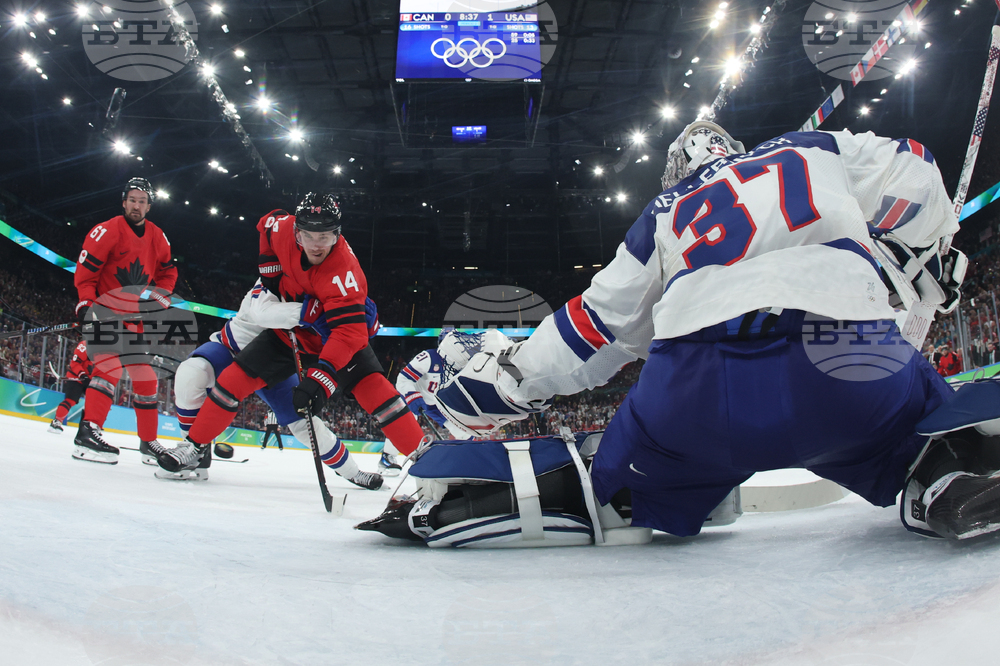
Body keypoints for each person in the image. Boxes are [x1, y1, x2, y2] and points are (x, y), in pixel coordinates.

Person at [399, 124, 1000, 545]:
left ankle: (547, 497)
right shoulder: (814, 147)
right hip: (848, 360)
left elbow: (595, 328)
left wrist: (515, 382)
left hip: (702, 388)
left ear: (677, 172)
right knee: (919, 421)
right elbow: (914, 168)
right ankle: (946, 472)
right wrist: (920, 258)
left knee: (621, 474)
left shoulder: (663, 212)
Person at [156, 194, 426, 476]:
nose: (316, 245)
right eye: (308, 235)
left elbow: (349, 334)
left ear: (337, 235)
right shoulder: (283, 229)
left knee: (378, 392)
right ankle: (194, 446)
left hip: (334, 339)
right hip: (289, 336)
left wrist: (321, 378)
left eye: (324, 237)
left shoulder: (345, 272)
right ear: (297, 231)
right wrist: (269, 268)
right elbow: (266, 223)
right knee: (230, 381)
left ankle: (426, 459)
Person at [167, 277, 384, 486]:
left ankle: (352, 472)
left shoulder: (326, 284)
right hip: (233, 347)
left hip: (270, 363)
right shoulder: (276, 274)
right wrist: (305, 312)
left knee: (305, 424)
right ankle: (193, 450)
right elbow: (262, 313)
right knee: (191, 372)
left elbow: (340, 333)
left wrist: (362, 323)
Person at [71, 177, 176, 465]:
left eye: (142, 201)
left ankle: (148, 441)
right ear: (124, 202)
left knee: (146, 379)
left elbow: (168, 272)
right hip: (105, 312)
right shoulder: (106, 231)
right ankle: (88, 432)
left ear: (149, 206)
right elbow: (86, 275)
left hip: (133, 319)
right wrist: (85, 305)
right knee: (109, 368)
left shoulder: (157, 236)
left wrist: (159, 298)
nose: (136, 206)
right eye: (132, 200)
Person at [48, 337, 93, 433]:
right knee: (70, 400)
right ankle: (56, 422)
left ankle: (89, 428)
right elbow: (75, 363)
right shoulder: (85, 345)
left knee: (94, 403)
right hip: (76, 377)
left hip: (90, 380)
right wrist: (82, 374)